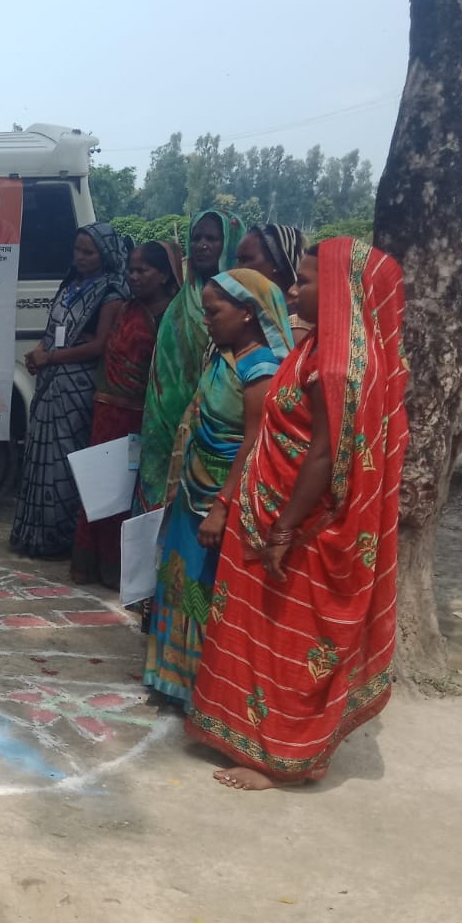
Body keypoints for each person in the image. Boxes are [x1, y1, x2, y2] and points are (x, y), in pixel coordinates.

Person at [187, 240, 408, 788]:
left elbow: (325, 455)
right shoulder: (318, 347)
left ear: (338, 292)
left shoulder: (339, 365)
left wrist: (284, 529)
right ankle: (250, 735)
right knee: (259, 629)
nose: (292, 289)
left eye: (305, 281)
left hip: (303, 529)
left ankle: (280, 761)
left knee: (289, 638)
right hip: (268, 513)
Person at [144, 270, 291, 707]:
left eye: (213, 312)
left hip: (221, 497)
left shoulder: (260, 370)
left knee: (206, 589)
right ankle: (173, 678)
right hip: (193, 491)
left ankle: (203, 689)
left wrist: (222, 507)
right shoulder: (222, 357)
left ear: (247, 313)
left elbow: (254, 443)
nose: (206, 320)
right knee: (180, 577)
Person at [10, 223, 128, 558]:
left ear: (105, 254)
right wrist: (39, 351)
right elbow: (54, 329)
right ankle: (35, 534)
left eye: (89, 252)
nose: (81, 257)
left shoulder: (111, 292)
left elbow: (100, 346)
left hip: (77, 385)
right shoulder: (72, 283)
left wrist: (51, 357)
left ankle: (61, 538)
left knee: (64, 459)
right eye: (77, 250)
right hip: (52, 379)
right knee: (40, 453)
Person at [69, 240, 182, 587]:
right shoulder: (125, 309)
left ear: (164, 275)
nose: (133, 276)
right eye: (130, 270)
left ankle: (121, 572)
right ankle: (92, 565)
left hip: (145, 418)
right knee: (100, 490)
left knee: (130, 495)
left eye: (142, 270)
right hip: (107, 414)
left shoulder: (174, 316)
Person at [136, 209, 244, 511]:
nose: (202, 245)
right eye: (196, 238)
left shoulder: (243, 306)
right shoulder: (180, 303)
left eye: (212, 238)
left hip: (215, 431)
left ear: (230, 243)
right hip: (164, 423)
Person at [238, 222, 309, 342]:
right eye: (239, 260)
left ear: (276, 263)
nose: (237, 269)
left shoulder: (296, 325)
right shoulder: (256, 309)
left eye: (246, 259)